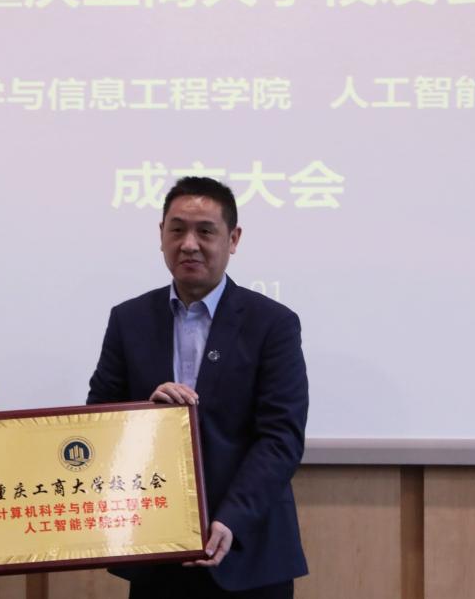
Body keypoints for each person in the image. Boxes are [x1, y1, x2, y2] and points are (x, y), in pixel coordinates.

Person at [86, 177, 309, 599]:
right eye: (177, 230)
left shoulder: (273, 323)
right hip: (157, 547)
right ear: (161, 235)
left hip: (248, 548)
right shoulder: (129, 319)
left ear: (233, 239)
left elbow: (281, 437)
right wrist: (145, 413)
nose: (189, 244)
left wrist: (231, 519)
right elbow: (99, 418)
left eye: (205, 231)